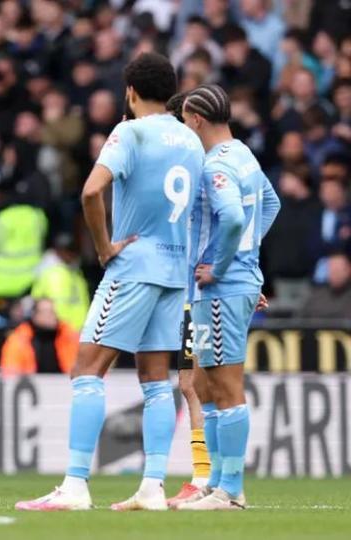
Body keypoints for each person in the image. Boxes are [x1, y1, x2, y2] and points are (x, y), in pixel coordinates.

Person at [15, 52, 204, 512]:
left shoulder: (129, 131)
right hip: (174, 274)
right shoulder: (191, 140)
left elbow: (90, 190)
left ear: (130, 92)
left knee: (86, 369)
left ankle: (76, 485)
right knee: (157, 381)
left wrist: (103, 247)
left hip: (134, 265)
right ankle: (152, 487)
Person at [177, 84, 280, 510]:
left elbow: (235, 216)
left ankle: (231, 490)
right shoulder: (244, 155)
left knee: (225, 384)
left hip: (220, 286)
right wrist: (248, 259)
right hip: (232, 283)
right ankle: (216, 481)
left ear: (197, 120)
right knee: (205, 382)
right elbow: (270, 204)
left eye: (185, 119)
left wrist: (225, 265)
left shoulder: (214, 164)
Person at [162, 91, 213, 507]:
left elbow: (236, 220)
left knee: (199, 383)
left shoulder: (206, 169)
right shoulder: (194, 167)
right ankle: (208, 475)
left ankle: (207, 477)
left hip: (201, 289)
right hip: (185, 287)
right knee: (190, 382)